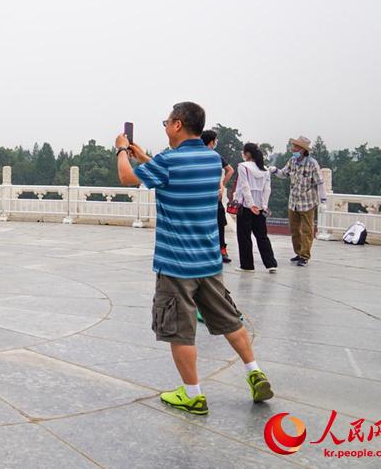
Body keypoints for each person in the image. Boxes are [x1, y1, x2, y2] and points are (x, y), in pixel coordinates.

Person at [115, 101, 273, 415]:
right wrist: (145, 156)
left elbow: (127, 178)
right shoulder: (212, 160)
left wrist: (121, 150)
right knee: (230, 319)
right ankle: (253, 370)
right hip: (209, 262)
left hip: (176, 264)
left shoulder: (169, 162)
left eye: (166, 122)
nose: (165, 127)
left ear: (177, 124)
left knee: (180, 330)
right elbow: (169, 172)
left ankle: (193, 394)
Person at [270, 136, 326, 267]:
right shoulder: (292, 161)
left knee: (307, 230)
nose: (293, 149)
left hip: (307, 202)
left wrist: (323, 200)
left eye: (296, 147)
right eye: (293, 146)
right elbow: (284, 174)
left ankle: (305, 256)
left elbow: (320, 183)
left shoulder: (312, 163)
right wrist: (275, 171)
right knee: (294, 230)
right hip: (293, 201)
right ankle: (298, 252)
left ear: (303, 150)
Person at [234, 143, 278, 273]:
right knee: (262, 236)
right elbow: (267, 189)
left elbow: (245, 187)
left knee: (244, 236)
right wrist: (263, 206)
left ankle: (247, 265)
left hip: (246, 207)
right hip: (260, 207)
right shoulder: (265, 169)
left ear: (247, 154)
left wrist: (250, 204)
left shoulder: (243, 167)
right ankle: (271, 263)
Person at [200, 130, 234, 264]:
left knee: (213, 221)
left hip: (203, 195)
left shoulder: (200, 155)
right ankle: (221, 250)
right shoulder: (215, 156)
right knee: (219, 222)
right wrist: (222, 186)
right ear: (211, 141)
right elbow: (230, 170)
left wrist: (221, 187)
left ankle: (213, 249)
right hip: (213, 195)